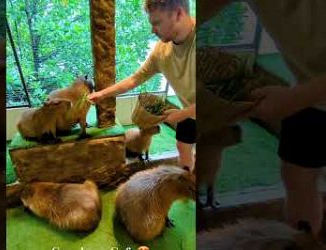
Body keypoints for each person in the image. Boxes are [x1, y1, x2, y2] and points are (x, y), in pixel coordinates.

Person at [201, 0, 326, 238]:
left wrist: (293, 99)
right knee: (297, 175)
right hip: (308, 85)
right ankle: (298, 242)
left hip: (307, 92)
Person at [88, 0, 196, 169]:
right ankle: (187, 182)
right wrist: (102, 94)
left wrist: (182, 114)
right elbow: (134, 79)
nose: (153, 30)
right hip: (190, 111)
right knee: (183, 147)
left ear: (178, 14)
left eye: (157, 23)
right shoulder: (162, 51)